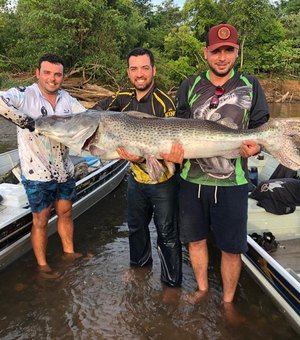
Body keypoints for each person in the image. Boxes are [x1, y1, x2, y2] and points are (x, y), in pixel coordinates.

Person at [175, 24, 270, 302]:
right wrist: (173, 153)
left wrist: (258, 146)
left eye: (228, 51)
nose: (222, 57)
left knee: (231, 247)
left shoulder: (250, 85)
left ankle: (228, 302)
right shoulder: (189, 85)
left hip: (235, 182)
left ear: (236, 52)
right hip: (192, 181)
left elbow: (260, 126)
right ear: (206, 53)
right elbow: (177, 126)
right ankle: (202, 289)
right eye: (216, 51)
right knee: (195, 240)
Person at [93, 47, 183, 287]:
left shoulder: (166, 103)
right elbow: (94, 114)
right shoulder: (120, 99)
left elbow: (171, 149)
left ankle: (171, 283)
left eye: (145, 68)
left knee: (167, 234)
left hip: (164, 182)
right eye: (134, 69)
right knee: (136, 228)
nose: (139, 74)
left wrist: (140, 157)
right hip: (136, 180)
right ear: (128, 72)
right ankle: (140, 270)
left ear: (154, 70)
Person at [0, 53, 87, 278]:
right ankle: (42, 265)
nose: (52, 78)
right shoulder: (24, 94)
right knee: (41, 218)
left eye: (57, 74)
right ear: (37, 73)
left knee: (66, 212)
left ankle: (69, 252)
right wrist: (27, 122)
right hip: (36, 171)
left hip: (64, 169)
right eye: (47, 73)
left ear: (63, 77)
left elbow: (87, 118)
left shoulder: (68, 99)